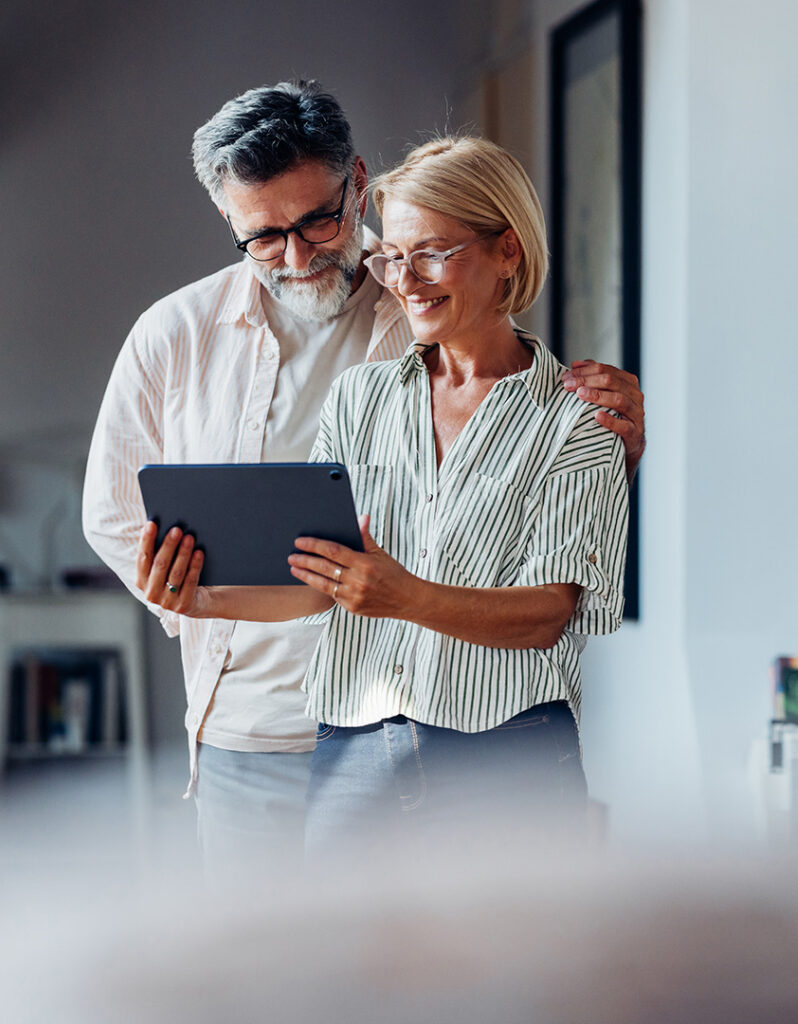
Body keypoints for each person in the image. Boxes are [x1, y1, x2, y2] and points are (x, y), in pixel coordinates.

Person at [84, 83, 644, 871]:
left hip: (455, 736)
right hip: (268, 729)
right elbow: (126, 516)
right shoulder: (182, 336)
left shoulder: (433, 306)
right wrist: (190, 596)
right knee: (272, 981)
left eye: (319, 220)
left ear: (356, 181)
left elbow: (539, 572)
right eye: (266, 236)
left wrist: (611, 442)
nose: (300, 253)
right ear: (230, 222)